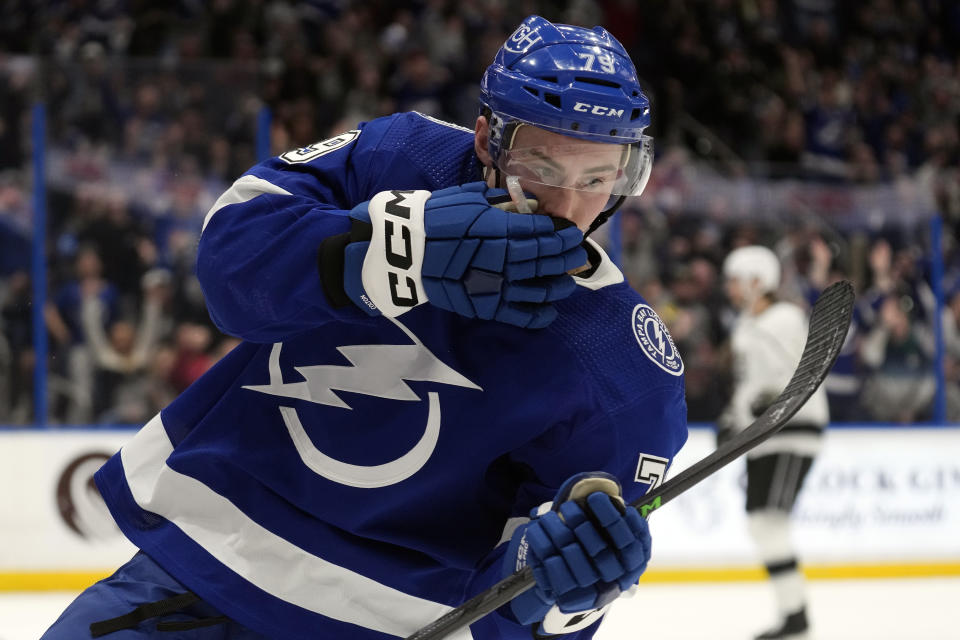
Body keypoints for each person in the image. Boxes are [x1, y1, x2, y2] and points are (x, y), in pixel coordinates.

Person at [42, 15, 688, 640]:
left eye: (598, 180)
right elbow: (229, 271)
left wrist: (559, 591)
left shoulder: (626, 371)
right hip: (196, 569)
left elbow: (514, 624)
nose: (567, 207)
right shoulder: (403, 160)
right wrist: (389, 249)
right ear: (489, 138)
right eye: (542, 171)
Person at [718, 245, 829, 640]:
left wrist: (770, 399)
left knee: (770, 522)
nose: (729, 287)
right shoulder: (744, 325)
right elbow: (750, 384)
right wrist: (734, 416)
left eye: (735, 279)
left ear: (757, 280)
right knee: (761, 525)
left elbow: (802, 370)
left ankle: (796, 617)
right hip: (762, 434)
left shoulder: (784, 318)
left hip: (791, 432)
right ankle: (793, 614)